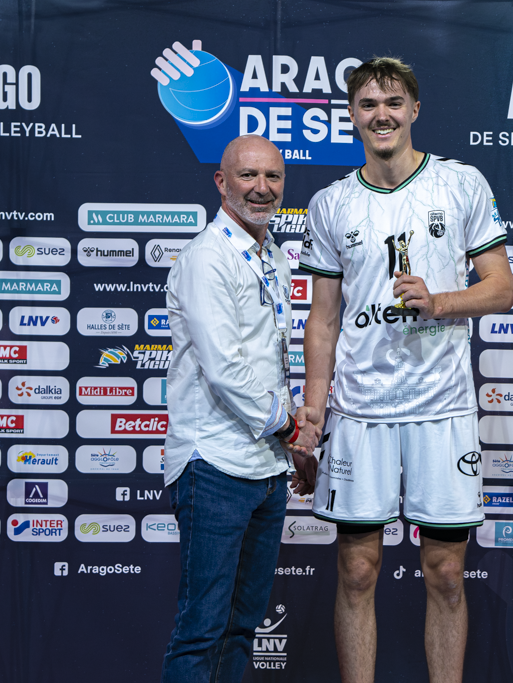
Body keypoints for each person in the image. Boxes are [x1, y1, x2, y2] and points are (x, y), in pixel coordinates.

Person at [298, 57, 513, 683]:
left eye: (393, 103)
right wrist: (313, 412)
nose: (382, 115)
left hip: (440, 405)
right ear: (352, 116)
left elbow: (501, 288)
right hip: (360, 409)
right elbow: (323, 320)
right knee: (356, 570)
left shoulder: (460, 183)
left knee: (445, 573)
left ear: (414, 110)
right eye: (368, 105)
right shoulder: (331, 203)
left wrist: (439, 301)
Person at [161, 134, 321, 683]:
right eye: (248, 175)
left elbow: (269, 361)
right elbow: (226, 369)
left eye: (273, 176)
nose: (261, 188)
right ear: (221, 182)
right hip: (213, 465)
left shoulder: (272, 254)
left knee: (240, 629)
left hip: (265, 468)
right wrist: (293, 430)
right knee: (201, 631)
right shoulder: (207, 258)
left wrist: (289, 444)